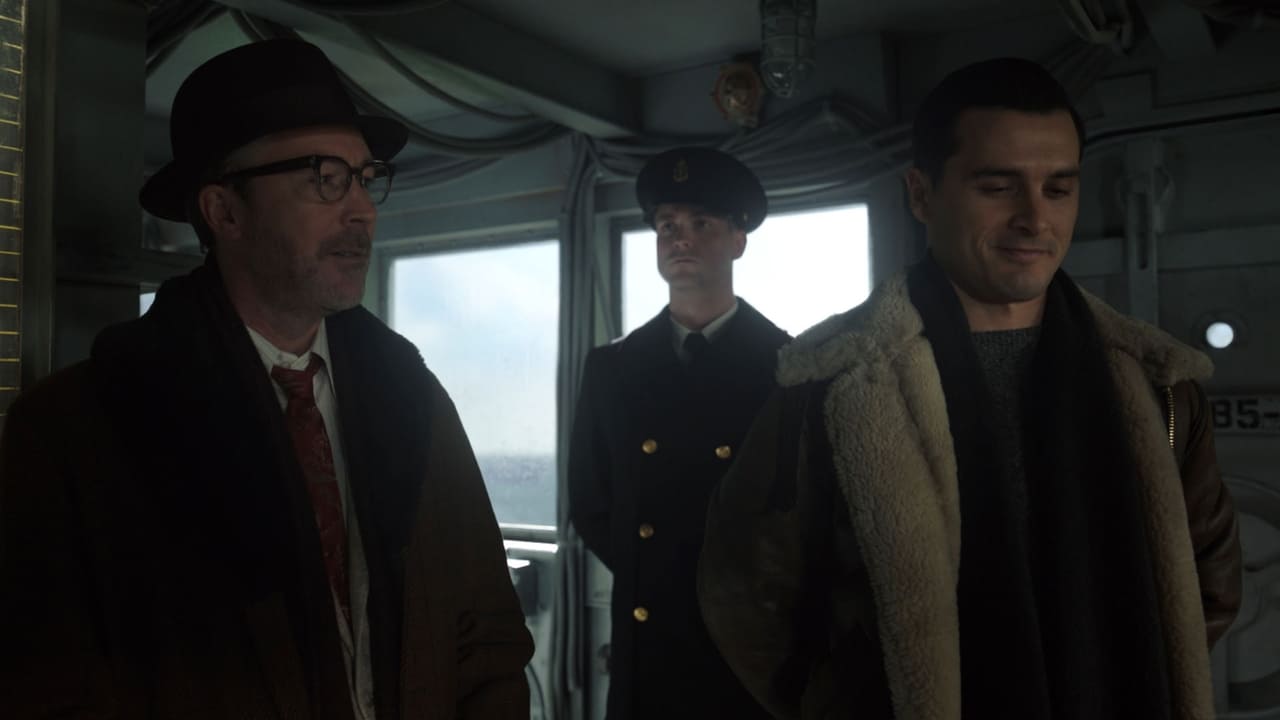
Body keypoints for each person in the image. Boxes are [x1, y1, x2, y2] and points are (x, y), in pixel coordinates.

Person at [0, 38, 532, 719]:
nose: (362, 210)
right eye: (324, 177)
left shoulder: (414, 399)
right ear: (224, 212)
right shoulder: (78, 432)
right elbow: (48, 688)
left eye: (364, 177)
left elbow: (487, 638)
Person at [698, 58, 1243, 720]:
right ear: (922, 195)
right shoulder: (831, 382)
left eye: (1058, 188)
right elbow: (747, 596)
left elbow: (1208, 581)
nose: (1035, 219)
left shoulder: (1158, 383)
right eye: (998, 187)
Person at [568, 147, 788, 719]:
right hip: (649, 644)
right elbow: (591, 503)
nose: (680, 239)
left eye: (702, 223)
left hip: (746, 644)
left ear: (739, 240)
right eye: (667, 225)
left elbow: (801, 512)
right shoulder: (611, 367)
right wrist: (657, 572)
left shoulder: (787, 366)